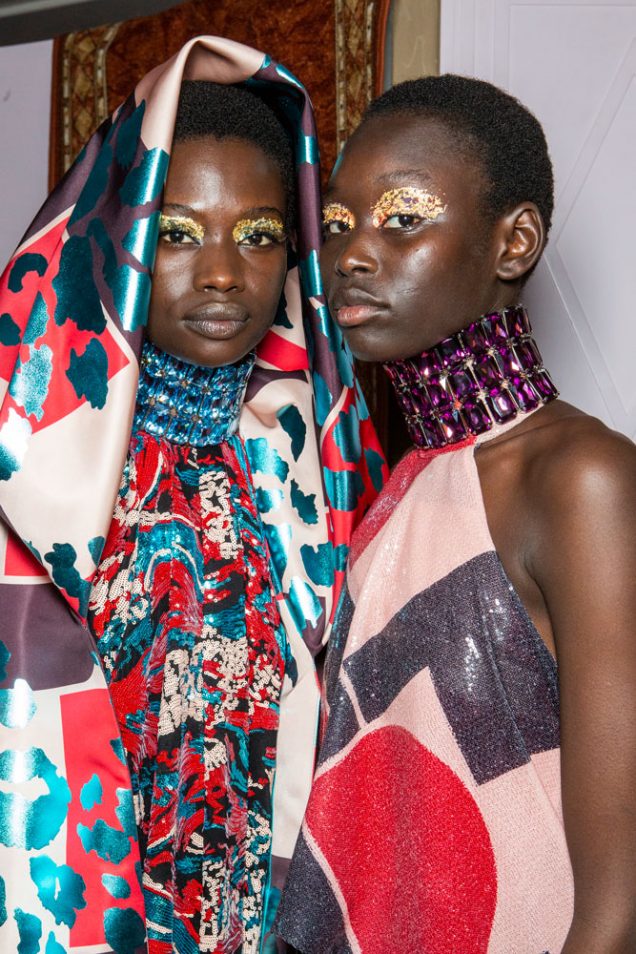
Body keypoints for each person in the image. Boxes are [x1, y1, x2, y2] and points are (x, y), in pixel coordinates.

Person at [0, 36, 384, 953]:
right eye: (176, 233)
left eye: (258, 236)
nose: (222, 274)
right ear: (118, 236)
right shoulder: (37, 467)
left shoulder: (318, 460)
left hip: (267, 917)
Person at [276, 75, 636, 953]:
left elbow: (619, 907)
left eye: (403, 217)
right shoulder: (393, 486)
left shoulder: (580, 478)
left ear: (513, 241)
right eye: (338, 224)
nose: (354, 254)